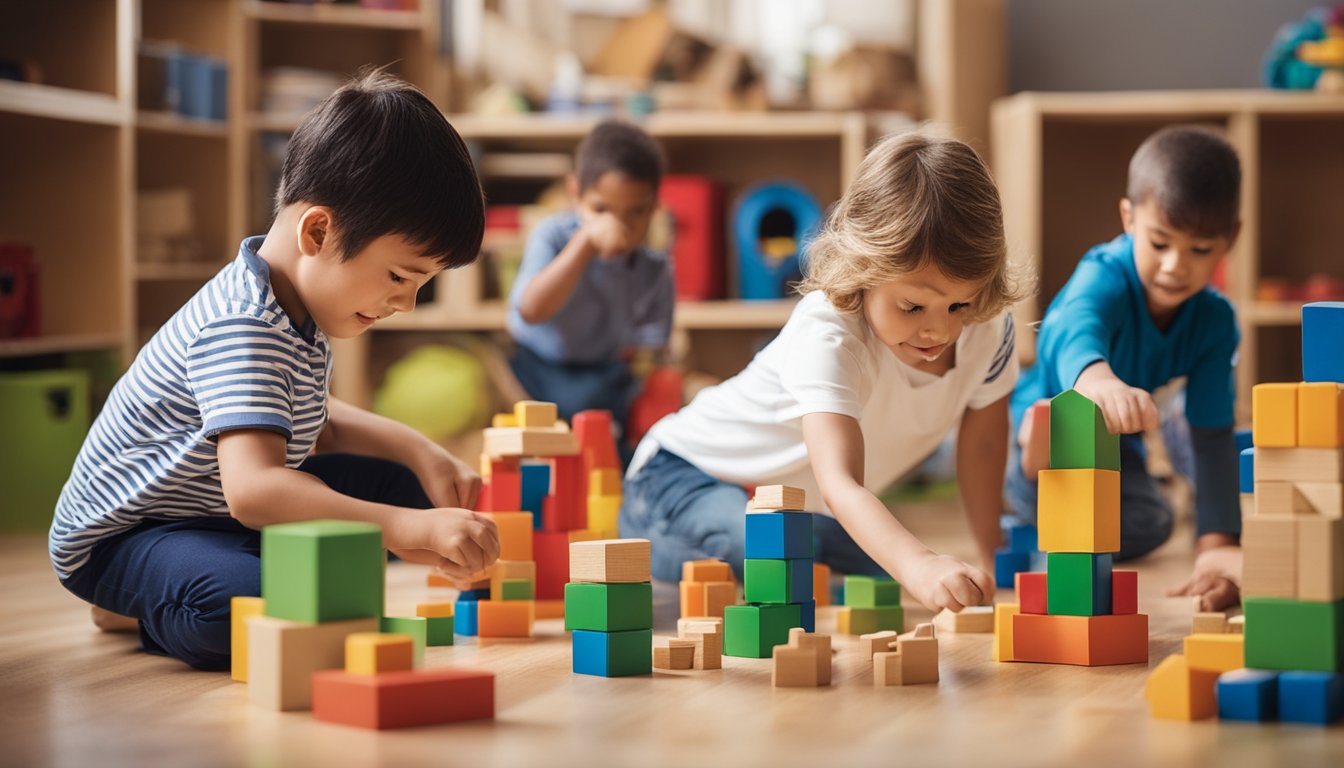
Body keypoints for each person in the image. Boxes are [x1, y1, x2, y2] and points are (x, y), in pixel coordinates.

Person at [50, 70, 500, 670]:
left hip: (212, 516)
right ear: (318, 231)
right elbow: (256, 489)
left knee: (410, 493)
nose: (405, 304)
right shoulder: (244, 322)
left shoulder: (297, 306)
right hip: (128, 536)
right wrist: (403, 529)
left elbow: (321, 423)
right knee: (251, 604)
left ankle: (207, 575)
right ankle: (135, 606)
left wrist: (424, 454)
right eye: (399, 277)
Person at [621, 132, 1022, 613]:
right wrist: (919, 566)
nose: (939, 329)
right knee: (782, 560)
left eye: (959, 303)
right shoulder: (828, 332)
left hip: (797, 510)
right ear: (863, 268)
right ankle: (647, 539)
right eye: (913, 306)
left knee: (886, 570)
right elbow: (841, 483)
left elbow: (981, 446)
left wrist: (993, 561)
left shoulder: (988, 328)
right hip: (681, 476)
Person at [1004, 124, 1244, 611]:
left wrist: (1217, 546)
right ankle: (1028, 478)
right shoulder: (1104, 274)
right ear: (1129, 218)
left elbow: (1213, 434)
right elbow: (1076, 324)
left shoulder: (1214, 322)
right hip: (1036, 423)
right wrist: (1098, 381)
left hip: (1113, 449)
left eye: (1200, 250)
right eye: (1160, 243)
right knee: (1040, 451)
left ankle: (1044, 531)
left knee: (1153, 521)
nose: (1176, 265)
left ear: (1230, 239)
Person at [507, 119, 675, 451]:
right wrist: (584, 242)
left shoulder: (653, 268)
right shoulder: (554, 235)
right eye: (601, 209)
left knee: (614, 418)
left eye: (636, 212)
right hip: (537, 364)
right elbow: (531, 310)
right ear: (575, 194)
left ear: (655, 208)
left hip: (602, 371)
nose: (617, 225)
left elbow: (651, 349)